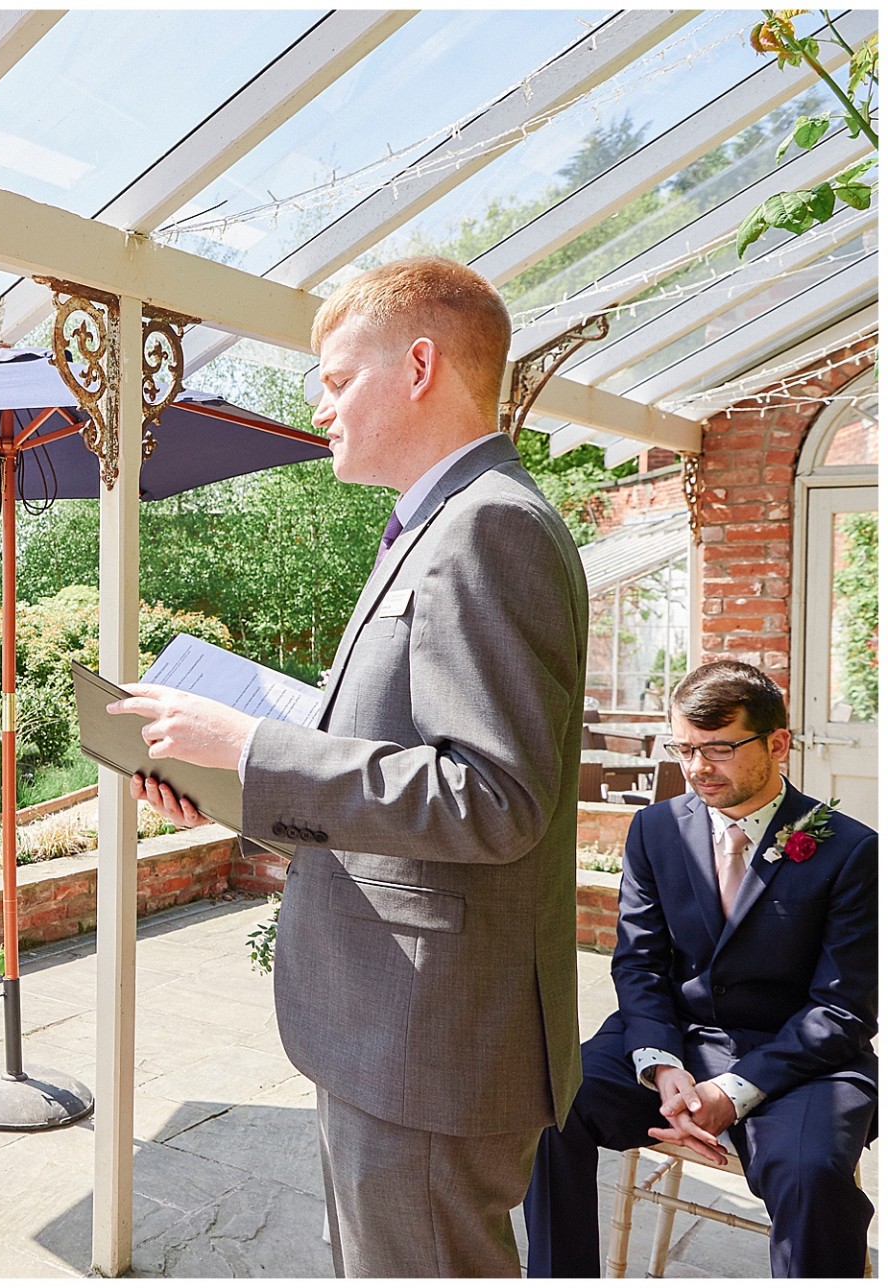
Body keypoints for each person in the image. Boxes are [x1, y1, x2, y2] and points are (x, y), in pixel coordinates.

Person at [111, 256, 588, 1275]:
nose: (317, 406)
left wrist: (248, 745)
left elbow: (496, 797)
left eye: (334, 379)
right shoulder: (433, 525)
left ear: (419, 364)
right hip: (396, 1030)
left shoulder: (489, 525)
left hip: (431, 1043)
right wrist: (234, 788)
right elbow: (399, 762)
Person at [524, 661, 876, 1277]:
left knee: (813, 1176)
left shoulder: (850, 850)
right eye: (683, 747)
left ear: (777, 743)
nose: (696, 768)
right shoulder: (655, 830)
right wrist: (660, 1065)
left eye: (718, 749)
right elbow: (638, 963)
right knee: (549, 1106)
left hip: (801, 1061)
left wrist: (730, 1092)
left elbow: (841, 1010)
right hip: (679, 1039)